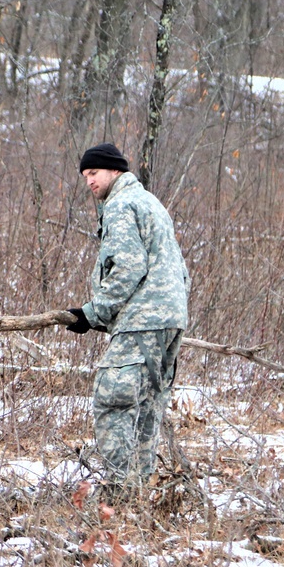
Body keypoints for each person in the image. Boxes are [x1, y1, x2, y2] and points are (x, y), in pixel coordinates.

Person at [65, 143, 189, 499]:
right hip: (169, 320)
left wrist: (93, 313)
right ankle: (138, 495)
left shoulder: (120, 204)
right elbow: (178, 268)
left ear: (114, 171)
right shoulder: (150, 202)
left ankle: (119, 492)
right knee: (148, 407)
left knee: (114, 402)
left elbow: (129, 267)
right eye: (85, 176)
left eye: (94, 173)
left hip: (142, 321)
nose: (89, 181)